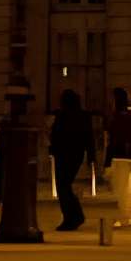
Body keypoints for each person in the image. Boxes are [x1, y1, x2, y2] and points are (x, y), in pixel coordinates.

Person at [47, 88, 94, 231]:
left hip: (64, 154)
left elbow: (55, 134)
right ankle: (74, 216)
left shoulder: (62, 115)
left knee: (63, 186)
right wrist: (91, 156)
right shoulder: (83, 116)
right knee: (64, 185)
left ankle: (72, 217)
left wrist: (52, 149)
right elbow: (89, 137)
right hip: (75, 154)